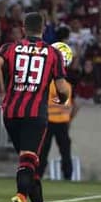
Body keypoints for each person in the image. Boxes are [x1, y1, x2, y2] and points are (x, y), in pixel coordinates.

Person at [0, 12, 70, 202]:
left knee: (28, 164)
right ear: (42, 29)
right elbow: (62, 89)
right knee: (28, 161)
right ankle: (20, 197)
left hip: (11, 113)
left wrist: (2, 92)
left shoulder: (9, 47)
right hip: (35, 115)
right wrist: (61, 99)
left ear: (24, 28)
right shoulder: (53, 53)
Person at [38, 51, 77, 180]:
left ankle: (38, 176)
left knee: (45, 151)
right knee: (63, 151)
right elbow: (74, 104)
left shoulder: (48, 84)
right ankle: (67, 177)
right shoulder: (68, 85)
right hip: (58, 123)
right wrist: (69, 118)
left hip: (51, 122)